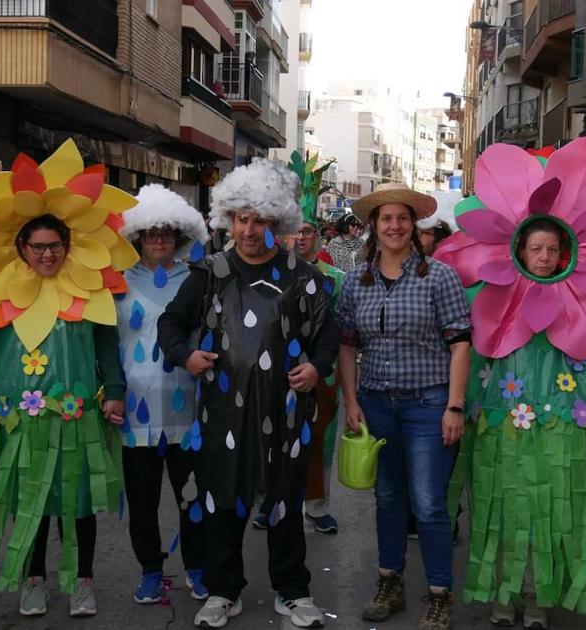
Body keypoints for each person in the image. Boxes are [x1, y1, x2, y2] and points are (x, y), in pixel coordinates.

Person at [434, 138, 586, 630]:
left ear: (563, 253)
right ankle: (501, 595)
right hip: (502, 417)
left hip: (562, 417)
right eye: (534, 248)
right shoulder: (495, 300)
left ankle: (535, 598)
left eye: (550, 249)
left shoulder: (581, 300)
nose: (541, 256)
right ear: (518, 249)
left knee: (549, 509)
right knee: (504, 500)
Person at [0, 141, 131, 619]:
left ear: (68, 246)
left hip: (78, 416)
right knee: (27, 500)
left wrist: (114, 391)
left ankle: (82, 581)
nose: (47, 254)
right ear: (21, 247)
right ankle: (32, 579)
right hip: (16, 417)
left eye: (55, 246)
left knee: (81, 501)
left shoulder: (91, 291)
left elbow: (108, 346)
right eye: (38, 247)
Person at [157, 159, 337, 629]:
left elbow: (328, 334)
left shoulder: (304, 275)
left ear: (276, 222)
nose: (250, 229)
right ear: (229, 219)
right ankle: (223, 590)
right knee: (221, 498)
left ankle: (293, 591)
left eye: (260, 220)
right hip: (222, 411)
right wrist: (187, 356)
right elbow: (170, 323)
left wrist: (316, 368)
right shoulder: (210, 272)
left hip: (287, 410)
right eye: (242, 218)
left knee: (284, 499)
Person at [335, 183, 472, 630]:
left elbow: (460, 344)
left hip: (429, 403)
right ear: (374, 225)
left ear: (414, 226)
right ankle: (389, 582)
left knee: (430, 503)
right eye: (387, 218)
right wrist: (351, 402)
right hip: (376, 402)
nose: (395, 225)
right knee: (388, 497)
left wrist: (454, 407)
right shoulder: (357, 280)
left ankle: (439, 593)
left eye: (403, 218)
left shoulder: (439, 276)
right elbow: (347, 345)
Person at [114, 184, 210, 603]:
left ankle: (197, 567)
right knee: (142, 500)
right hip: (135, 413)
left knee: (192, 496)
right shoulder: (114, 284)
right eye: (150, 232)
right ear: (137, 237)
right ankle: (150, 569)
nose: (158, 239)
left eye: (167, 233)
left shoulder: (199, 281)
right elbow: (104, 345)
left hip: (189, 409)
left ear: (180, 238)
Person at [285, 151, 343, 535]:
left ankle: (317, 506)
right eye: (296, 231)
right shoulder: (272, 272)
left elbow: (340, 329)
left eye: (309, 231)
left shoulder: (335, 278)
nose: (302, 237)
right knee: (276, 434)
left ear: (318, 236)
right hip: (280, 371)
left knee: (318, 439)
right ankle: (275, 500)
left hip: (323, 372)